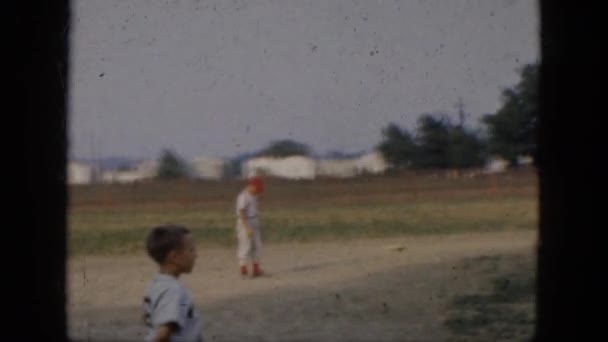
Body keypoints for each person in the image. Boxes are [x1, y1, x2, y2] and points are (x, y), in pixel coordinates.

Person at [142, 225, 202, 342]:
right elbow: (163, 334)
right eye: (191, 250)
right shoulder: (173, 290)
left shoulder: (155, 284)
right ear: (174, 257)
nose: (196, 255)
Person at [235, 175, 264, 278]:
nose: (258, 191)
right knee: (245, 245)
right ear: (251, 186)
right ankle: (243, 270)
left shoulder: (254, 195)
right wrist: (247, 228)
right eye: (257, 188)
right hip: (245, 221)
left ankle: (256, 269)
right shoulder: (243, 196)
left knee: (257, 245)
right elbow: (241, 212)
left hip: (254, 220)